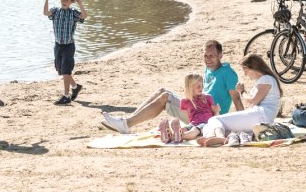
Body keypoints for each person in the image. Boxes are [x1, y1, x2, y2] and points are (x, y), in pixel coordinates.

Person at [101, 40, 243, 134]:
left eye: (211, 56)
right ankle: (127, 121)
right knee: (161, 91)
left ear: (221, 55)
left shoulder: (228, 73)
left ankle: (126, 124)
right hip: (196, 109)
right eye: (205, 56)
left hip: (207, 117)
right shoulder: (209, 69)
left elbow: (236, 99)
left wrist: (242, 126)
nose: (207, 59)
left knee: (165, 97)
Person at [198, 53, 283, 147]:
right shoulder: (263, 80)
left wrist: (242, 92)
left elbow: (252, 101)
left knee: (215, 119)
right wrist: (243, 92)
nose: (245, 74)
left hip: (261, 116)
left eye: (245, 70)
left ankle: (220, 137)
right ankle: (212, 137)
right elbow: (252, 102)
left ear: (251, 67)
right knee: (208, 124)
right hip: (259, 115)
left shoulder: (266, 79)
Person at [44, 0, 88, 105]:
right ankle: (75, 86)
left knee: (66, 71)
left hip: (69, 46)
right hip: (58, 46)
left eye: (67, 0)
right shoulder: (55, 11)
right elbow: (45, 13)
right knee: (61, 70)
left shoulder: (73, 13)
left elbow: (84, 16)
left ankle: (66, 96)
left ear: (71, 1)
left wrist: (80, 3)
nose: (64, 1)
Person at [160, 73, 221, 143]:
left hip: (206, 123)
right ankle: (169, 135)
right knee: (184, 129)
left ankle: (180, 136)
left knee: (194, 130)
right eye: (198, 86)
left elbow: (216, 118)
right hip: (192, 123)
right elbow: (189, 116)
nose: (201, 88)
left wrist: (216, 111)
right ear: (190, 87)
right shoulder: (184, 101)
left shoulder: (208, 97)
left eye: (202, 85)